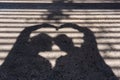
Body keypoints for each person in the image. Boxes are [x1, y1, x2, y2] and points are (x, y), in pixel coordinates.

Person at [53, 23, 118, 80]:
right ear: (71, 40)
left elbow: (54, 76)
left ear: (60, 48)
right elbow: (89, 35)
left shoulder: (61, 61)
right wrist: (75, 26)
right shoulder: (88, 50)